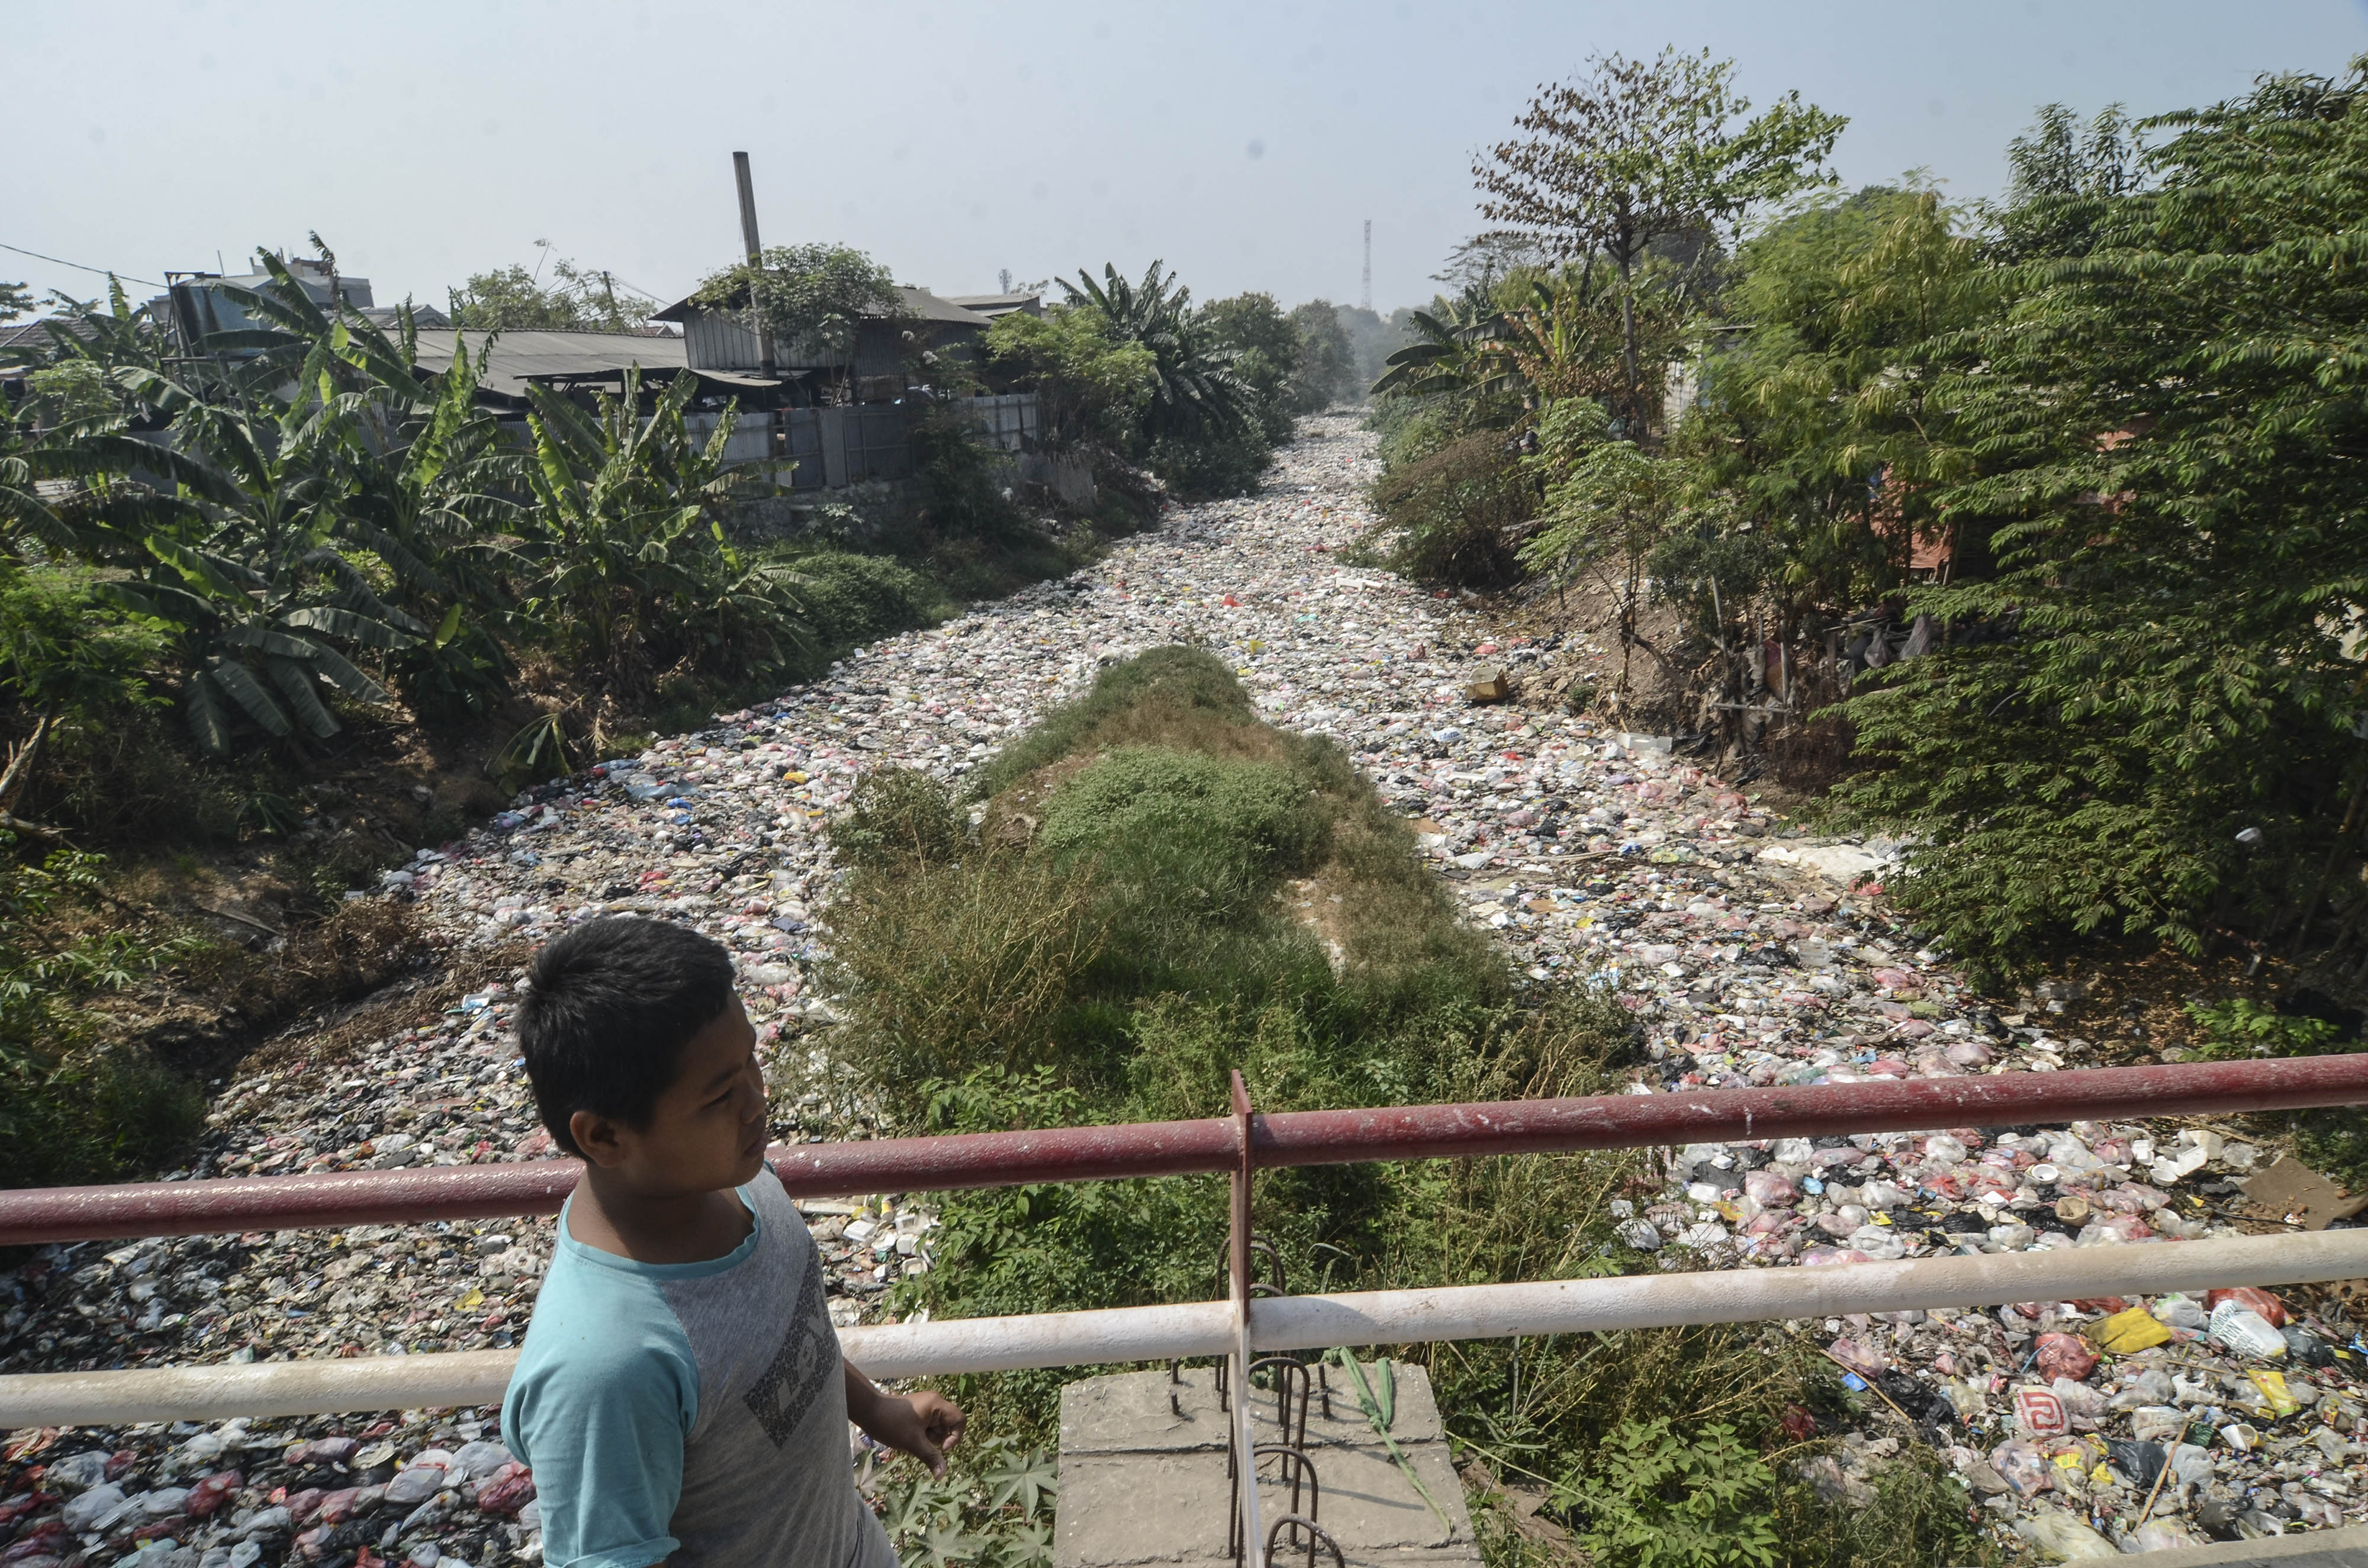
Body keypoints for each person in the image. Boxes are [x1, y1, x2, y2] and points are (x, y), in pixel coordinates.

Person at [504, 915, 961, 1568]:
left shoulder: (735, 1180)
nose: (756, 1102)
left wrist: (874, 1407)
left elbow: (780, 1331)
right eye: (720, 1095)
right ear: (603, 1136)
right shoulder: (608, 1368)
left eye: (750, 1059)